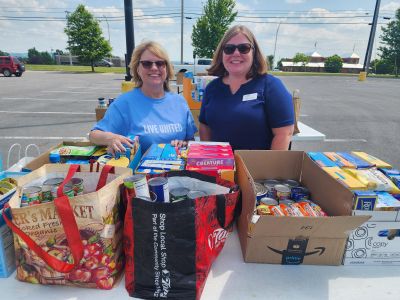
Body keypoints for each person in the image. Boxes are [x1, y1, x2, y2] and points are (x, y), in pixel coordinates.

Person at [90, 41, 197, 154]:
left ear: (167, 68)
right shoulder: (124, 103)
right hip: (139, 171)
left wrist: (184, 144)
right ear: (137, 69)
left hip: (177, 170)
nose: (154, 68)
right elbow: (94, 135)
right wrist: (111, 138)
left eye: (160, 63)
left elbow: (190, 140)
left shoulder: (179, 102)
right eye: (147, 63)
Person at [199, 25, 294, 150]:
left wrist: (271, 167)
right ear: (221, 53)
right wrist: (209, 158)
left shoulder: (271, 86)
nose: (236, 53)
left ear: (254, 53)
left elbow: (284, 134)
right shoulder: (212, 88)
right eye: (229, 49)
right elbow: (204, 126)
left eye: (244, 48)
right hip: (220, 166)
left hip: (256, 167)